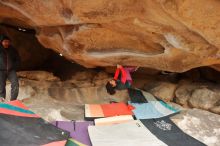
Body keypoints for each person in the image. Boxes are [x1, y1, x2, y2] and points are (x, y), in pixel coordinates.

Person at [0, 35, 20, 102]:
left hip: (11, 71)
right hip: (1, 71)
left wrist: (15, 67)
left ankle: (13, 101)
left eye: (8, 42)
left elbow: (18, 59)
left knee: (15, 85)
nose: (7, 43)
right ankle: (1, 99)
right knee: (1, 86)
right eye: (5, 42)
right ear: (1, 42)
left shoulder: (13, 49)